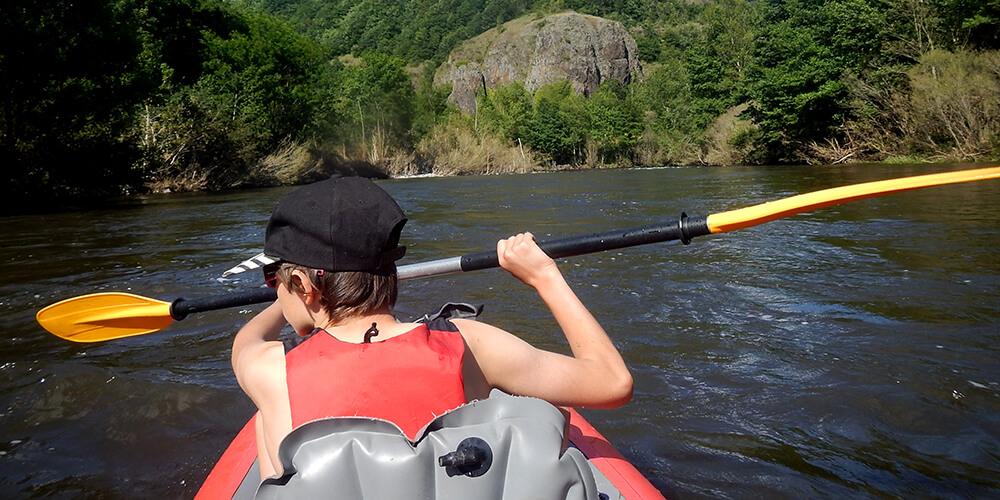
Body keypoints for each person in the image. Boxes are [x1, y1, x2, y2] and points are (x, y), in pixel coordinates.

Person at [231, 176, 633, 479]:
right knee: (550, 408)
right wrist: (545, 276)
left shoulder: (268, 368)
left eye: (272, 278)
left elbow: (249, 339)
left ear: (300, 283)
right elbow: (613, 383)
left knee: (268, 418)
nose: (274, 288)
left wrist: (291, 299)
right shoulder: (468, 343)